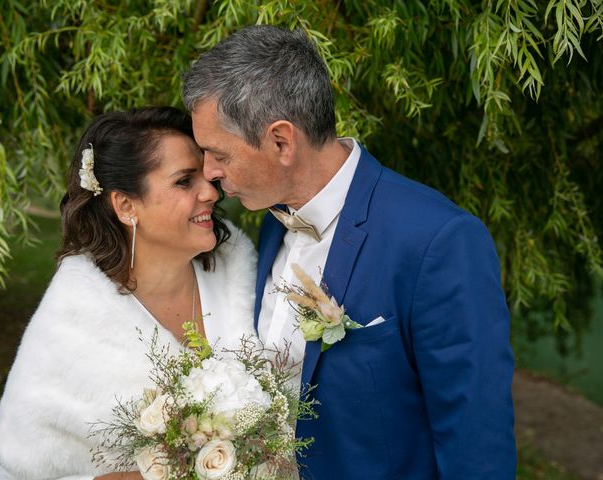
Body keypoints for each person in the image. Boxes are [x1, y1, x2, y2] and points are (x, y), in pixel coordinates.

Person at [182, 25, 516, 479]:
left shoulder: (437, 240)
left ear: (282, 141)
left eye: (218, 153)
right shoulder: (270, 224)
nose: (209, 172)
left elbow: (477, 443)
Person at [0, 107, 257, 480]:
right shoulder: (70, 325)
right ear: (126, 206)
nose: (210, 191)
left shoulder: (243, 278)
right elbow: (19, 468)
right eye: (184, 181)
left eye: (207, 176)